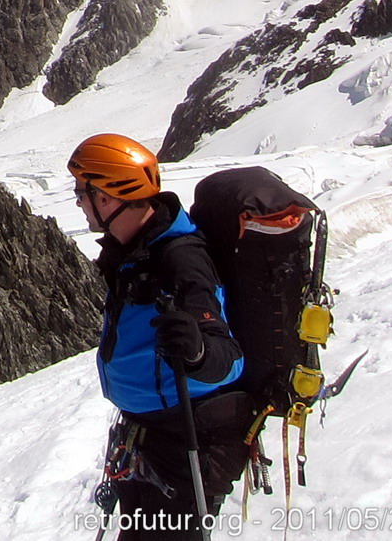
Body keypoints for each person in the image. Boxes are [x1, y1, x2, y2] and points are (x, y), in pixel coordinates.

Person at [69, 133, 251, 537]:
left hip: (192, 440)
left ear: (108, 196)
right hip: (152, 435)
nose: (79, 202)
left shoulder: (180, 259)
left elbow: (230, 358)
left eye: (83, 192)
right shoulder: (134, 249)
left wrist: (199, 352)